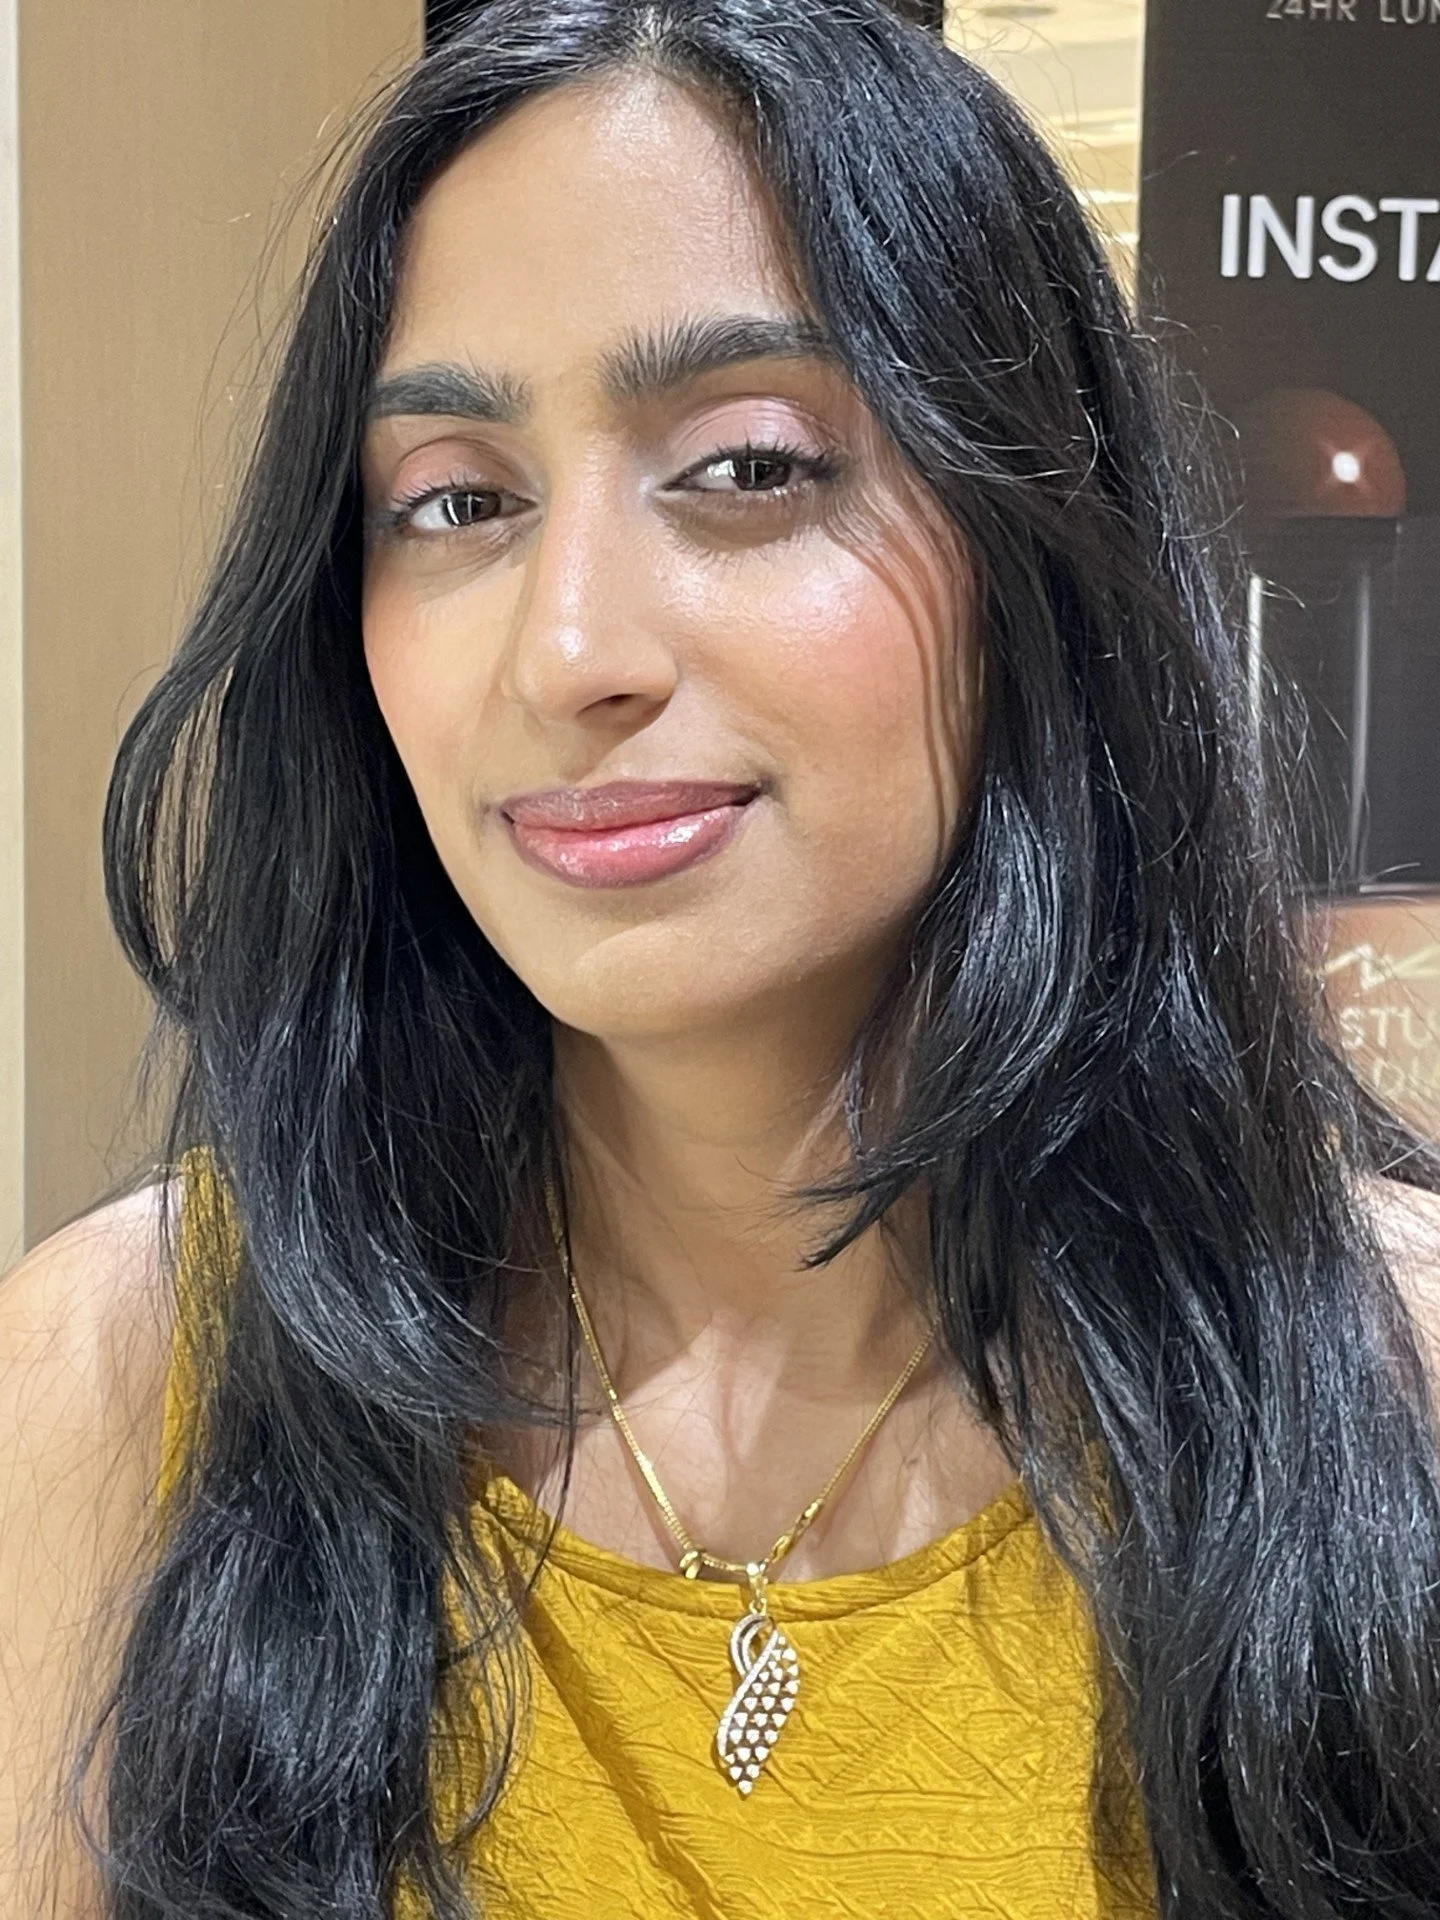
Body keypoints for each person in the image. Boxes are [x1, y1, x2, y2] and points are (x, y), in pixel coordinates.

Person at [4, 1, 1440, 1914]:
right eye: (456, 500)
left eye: (750, 468)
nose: (568, 649)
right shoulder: (127, 1380)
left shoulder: (1395, 1383)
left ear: (1035, 539)